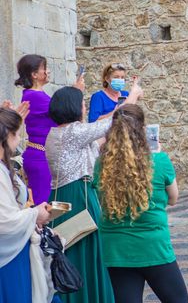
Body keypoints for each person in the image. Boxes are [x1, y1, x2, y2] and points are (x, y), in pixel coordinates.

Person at [46, 83, 143, 303]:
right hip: (77, 196)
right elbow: (112, 121)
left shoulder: (59, 133)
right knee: (84, 249)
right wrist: (133, 95)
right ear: (73, 107)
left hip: (65, 196)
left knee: (74, 251)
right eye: (82, 104)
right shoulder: (72, 132)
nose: (84, 108)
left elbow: (96, 141)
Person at [94, 105, 188, 303]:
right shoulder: (159, 160)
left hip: (116, 249)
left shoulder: (101, 164)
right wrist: (158, 154)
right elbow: (173, 198)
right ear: (142, 130)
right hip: (153, 246)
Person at [14, 54, 84, 205]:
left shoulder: (37, 94)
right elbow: (63, 111)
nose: (48, 71)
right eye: (44, 68)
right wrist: (76, 92)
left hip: (42, 153)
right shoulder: (34, 96)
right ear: (34, 74)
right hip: (40, 155)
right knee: (43, 203)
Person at [0, 107, 52, 303]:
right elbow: (4, 221)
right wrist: (34, 215)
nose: (20, 138)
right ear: (6, 136)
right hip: (8, 257)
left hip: (16, 249)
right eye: (16, 134)